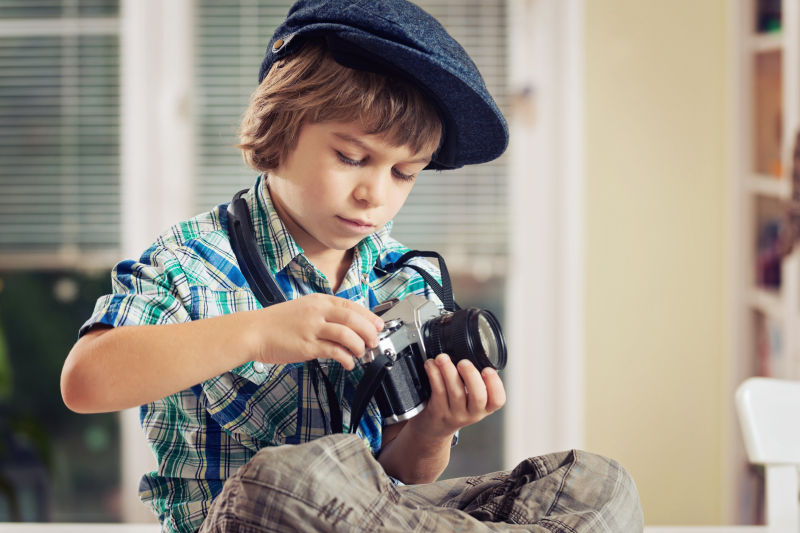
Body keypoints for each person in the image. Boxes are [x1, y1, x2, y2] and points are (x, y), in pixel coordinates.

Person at [60, 1, 644, 532]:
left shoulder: (405, 283)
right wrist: (256, 333)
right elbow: (85, 380)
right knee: (290, 481)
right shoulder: (194, 263)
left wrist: (433, 428)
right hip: (250, 520)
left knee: (596, 486)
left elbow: (405, 476)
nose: (375, 194)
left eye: (403, 173)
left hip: (378, 519)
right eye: (352, 157)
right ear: (281, 127)